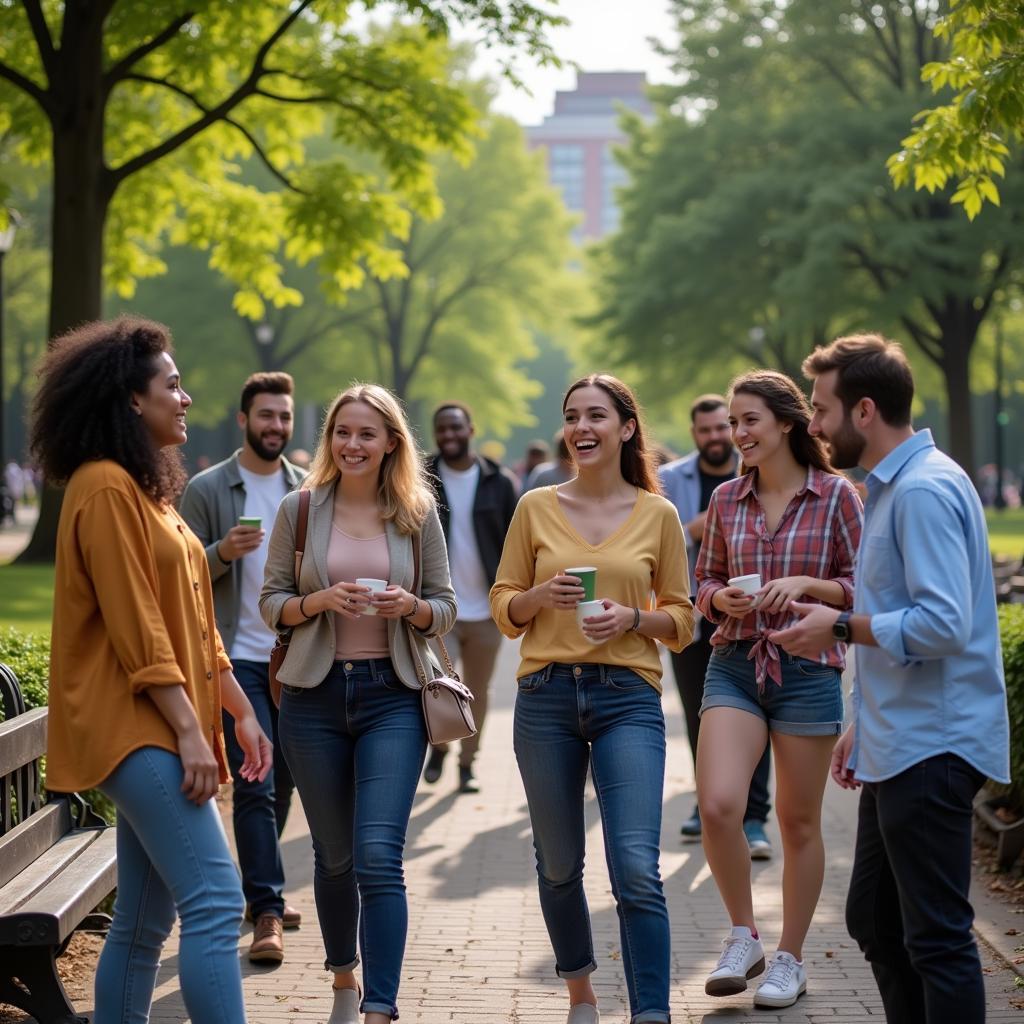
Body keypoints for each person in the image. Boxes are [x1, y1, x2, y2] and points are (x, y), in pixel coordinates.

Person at [32, 316, 272, 1024]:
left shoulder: (148, 493)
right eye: (172, 384)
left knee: (142, 925)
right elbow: (139, 628)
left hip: (163, 723)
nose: (186, 396)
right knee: (219, 901)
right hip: (135, 728)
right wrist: (191, 735)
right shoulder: (105, 487)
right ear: (132, 399)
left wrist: (238, 708)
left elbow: (192, 620)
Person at [772, 334, 1010, 1024]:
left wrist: (837, 627)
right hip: (897, 741)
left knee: (935, 937)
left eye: (820, 408)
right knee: (876, 921)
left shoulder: (924, 490)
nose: (812, 425)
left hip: (933, 746)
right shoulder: (894, 487)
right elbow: (897, 607)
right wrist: (861, 724)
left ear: (865, 410)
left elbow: (941, 624)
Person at [490, 373, 694, 1024]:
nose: (582, 427)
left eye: (596, 416)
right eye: (572, 415)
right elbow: (503, 606)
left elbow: (685, 621)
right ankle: (580, 991)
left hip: (628, 696)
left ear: (626, 428)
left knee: (636, 866)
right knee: (557, 863)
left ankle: (651, 1013)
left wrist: (635, 619)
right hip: (545, 696)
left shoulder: (658, 514)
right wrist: (539, 597)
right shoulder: (535, 506)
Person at [260, 383, 456, 1024]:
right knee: (334, 854)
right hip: (313, 696)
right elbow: (271, 602)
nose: (353, 444)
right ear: (330, 439)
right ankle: (343, 974)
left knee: (378, 854)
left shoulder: (417, 512)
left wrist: (413, 608)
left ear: (391, 442)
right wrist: (318, 602)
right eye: (343, 432)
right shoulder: (301, 507)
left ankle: (379, 1005)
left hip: (393, 696)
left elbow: (445, 607)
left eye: (367, 433)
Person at [694, 370, 862, 1009]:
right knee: (718, 806)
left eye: (749, 421)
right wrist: (722, 597)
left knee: (796, 822)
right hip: (736, 661)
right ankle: (744, 933)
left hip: (808, 670)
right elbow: (703, 585)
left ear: (787, 423)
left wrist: (808, 587)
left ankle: (789, 958)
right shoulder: (726, 498)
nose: (737, 434)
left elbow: (865, 584)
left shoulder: (837, 497)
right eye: (733, 423)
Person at [179, 371, 306, 963]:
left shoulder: (306, 489)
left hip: (297, 658)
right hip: (236, 659)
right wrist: (222, 553)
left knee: (285, 783)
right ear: (243, 420)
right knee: (257, 781)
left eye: (283, 416)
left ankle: (261, 887)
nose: (275, 426)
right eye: (265, 416)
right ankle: (268, 910)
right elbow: (177, 577)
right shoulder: (208, 489)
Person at [660, 394, 773, 855]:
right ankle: (705, 802)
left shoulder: (759, 471)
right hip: (690, 608)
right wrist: (694, 529)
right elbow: (658, 540)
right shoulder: (669, 479)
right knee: (698, 712)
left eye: (720, 428)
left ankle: (755, 816)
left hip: (749, 611)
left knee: (757, 710)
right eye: (704, 430)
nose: (714, 437)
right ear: (694, 434)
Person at [423, 401, 518, 792]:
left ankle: (467, 763)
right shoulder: (421, 478)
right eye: (441, 429)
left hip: (486, 609)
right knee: (437, 688)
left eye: (455, 428)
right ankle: (442, 749)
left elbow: (517, 542)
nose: (449, 436)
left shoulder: (500, 481)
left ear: (470, 430)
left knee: (476, 690)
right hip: (438, 609)